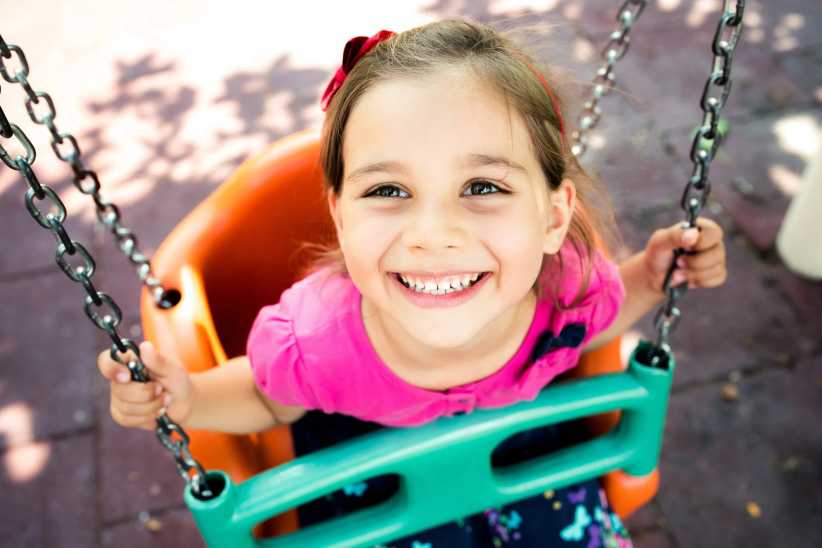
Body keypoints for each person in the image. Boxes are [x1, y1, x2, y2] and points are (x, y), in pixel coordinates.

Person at [97, 19, 727, 547]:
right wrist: (184, 397)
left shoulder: (567, 291)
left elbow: (602, 319)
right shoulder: (318, 339)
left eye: (483, 188)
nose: (432, 233)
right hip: (374, 488)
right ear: (341, 217)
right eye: (388, 190)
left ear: (553, 218)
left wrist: (651, 274)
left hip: (527, 463)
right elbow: (265, 399)